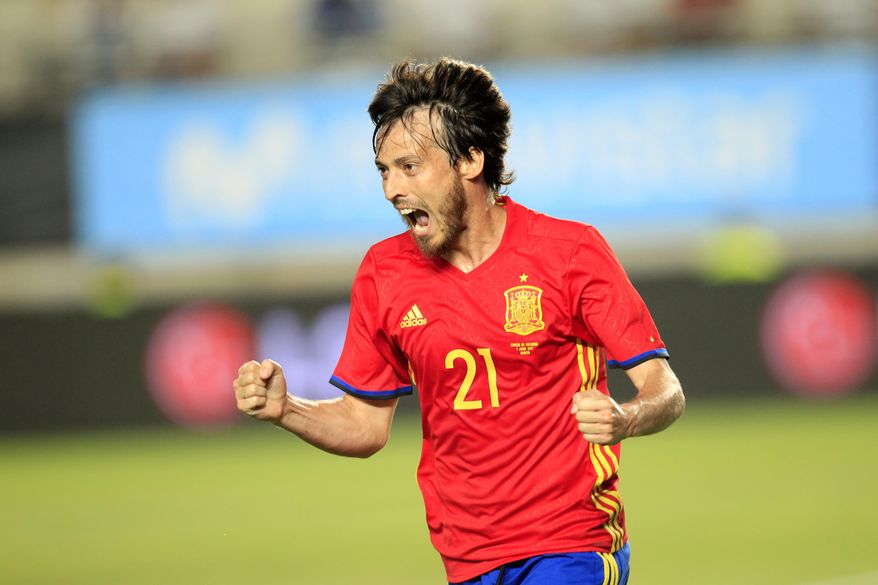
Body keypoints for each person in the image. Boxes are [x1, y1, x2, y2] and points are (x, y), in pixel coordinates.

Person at [233, 57, 685, 585]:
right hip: (467, 561)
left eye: (409, 166)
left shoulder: (570, 253)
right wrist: (285, 408)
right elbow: (364, 425)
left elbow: (665, 389)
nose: (390, 190)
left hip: (571, 546)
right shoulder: (384, 274)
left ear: (470, 160)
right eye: (384, 170)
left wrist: (626, 419)